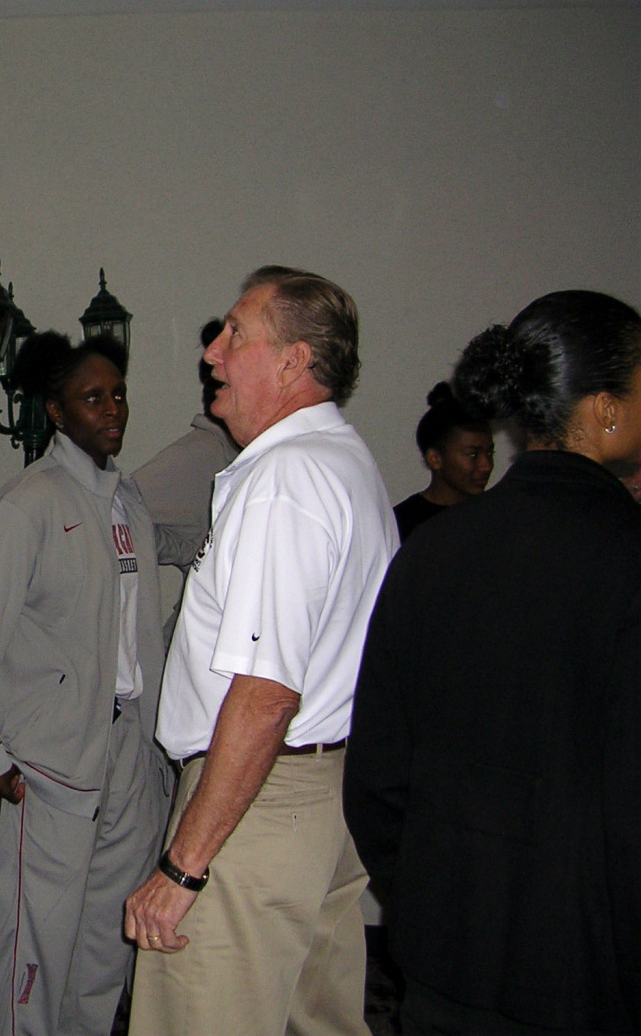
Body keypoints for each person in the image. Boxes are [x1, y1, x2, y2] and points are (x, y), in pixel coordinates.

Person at [345, 291, 641, 1036]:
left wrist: (426, 898)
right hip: (590, 976)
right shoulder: (627, 556)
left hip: (446, 956)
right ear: (606, 409)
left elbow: (377, 776)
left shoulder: (434, 553)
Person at [124, 266, 396, 1036]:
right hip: (321, 790)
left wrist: (183, 868)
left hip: (259, 797)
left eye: (235, 334)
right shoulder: (346, 461)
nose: (211, 351)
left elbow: (267, 693)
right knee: (318, 1018)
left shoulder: (287, 479)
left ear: (292, 362)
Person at [0, 331, 183, 1036]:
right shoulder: (25, 506)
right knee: (37, 950)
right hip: (50, 765)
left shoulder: (128, 503)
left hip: (126, 754)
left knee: (103, 950)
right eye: (93, 397)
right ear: (56, 412)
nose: (113, 408)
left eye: (117, 393)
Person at [133, 318, 241, 644]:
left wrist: (191, 551)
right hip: (198, 657)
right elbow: (112, 515)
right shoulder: (203, 454)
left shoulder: (259, 462)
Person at [393, 378, 494, 542]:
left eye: (490, 453)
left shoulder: (497, 517)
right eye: (473, 455)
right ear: (435, 459)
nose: (486, 466)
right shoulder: (403, 524)